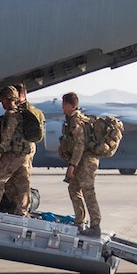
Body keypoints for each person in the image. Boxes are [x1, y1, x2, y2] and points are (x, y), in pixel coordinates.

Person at [60, 92, 101, 236]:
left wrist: (72, 165)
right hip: (80, 162)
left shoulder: (76, 121)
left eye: (64, 104)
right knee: (73, 189)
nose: (62, 107)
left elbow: (79, 145)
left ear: (70, 105)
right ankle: (79, 222)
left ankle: (95, 226)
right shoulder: (72, 120)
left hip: (86, 163)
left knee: (88, 192)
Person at [1, 84, 44, 215]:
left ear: (20, 95)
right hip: (22, 150)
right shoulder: (25, 110)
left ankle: (22, 210)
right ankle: (19, 208)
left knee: (21, 181)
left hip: (23, 151)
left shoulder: (24, 111)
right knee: (15, 182)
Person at [0, 86, 28, 212]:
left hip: (13, 154)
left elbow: (7, 136)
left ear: (8, 99)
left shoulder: (11, 115)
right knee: (21, 183)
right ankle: (21, 211)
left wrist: (0, 152)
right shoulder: (20, 113)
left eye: (2, 100)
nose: (2, 103)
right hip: (23, 155)